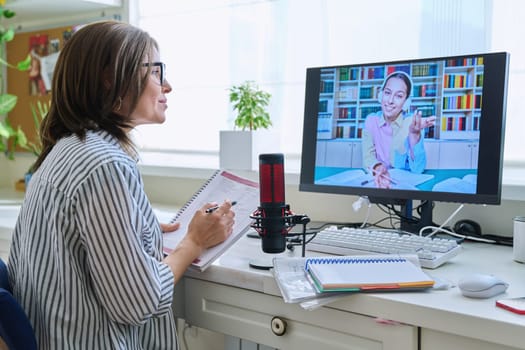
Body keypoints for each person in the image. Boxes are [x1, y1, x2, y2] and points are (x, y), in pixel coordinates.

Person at [7, 20, 235, 349]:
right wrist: (194, 243)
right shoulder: (104, 164)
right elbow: (137, 303)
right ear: (111, 79)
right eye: (157, 71)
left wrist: (132, 228)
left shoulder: (68, 148)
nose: (167, 85)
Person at [361, 70, 436, 188]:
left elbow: (418, 170)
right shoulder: (371, 121)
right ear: (381, 95)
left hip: (402, 187)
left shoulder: (412, 123)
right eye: (387, 93)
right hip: (378, 182)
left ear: (406, 102)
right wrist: (377, 167)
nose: (390, 101)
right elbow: (367, 158)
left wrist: (414, 135)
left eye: (399, 96)